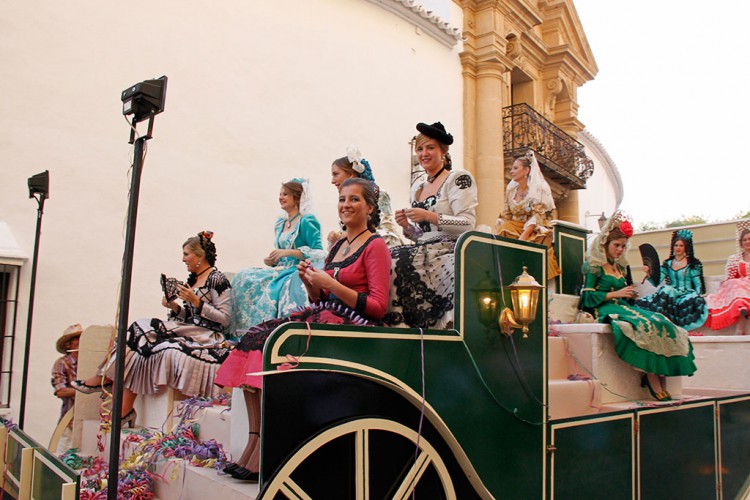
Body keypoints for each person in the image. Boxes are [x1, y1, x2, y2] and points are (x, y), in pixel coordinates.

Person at [215, 178, 391, 481]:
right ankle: (253, 445)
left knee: (277, 343)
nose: (346, 205)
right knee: (257, 337)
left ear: (370, 207)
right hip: (325, 314)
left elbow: (377, 306)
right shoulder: (338, 245)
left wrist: (330, 284)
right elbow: (321, 297)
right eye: (342, 199)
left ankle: (264, 452)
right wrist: (312, 284)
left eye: (354, 200)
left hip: (353, 327)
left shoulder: (375, 246)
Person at [72, 231, 232, 426]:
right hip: (188, 328)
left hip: (206, 335)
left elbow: (224, 319)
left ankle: (105, 381)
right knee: (137, 333)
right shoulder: (192, 280)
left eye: (186, 254)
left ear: (200, 256)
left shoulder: (217, 279)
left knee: (141, 330)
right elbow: (188, 316)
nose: (183, 259)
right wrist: (174, 307)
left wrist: (197, 302)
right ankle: (119, 401)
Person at [579, 212, 696, 401]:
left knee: (661, 320)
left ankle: (659, 371)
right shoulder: (594, 266)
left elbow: (627, 294)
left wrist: (630, 294)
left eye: (623, 246)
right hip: (605, 307)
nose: (619, 250)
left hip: (624, 306)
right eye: (616, 245)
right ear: (605, 243)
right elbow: (586, 297)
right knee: (643, 324)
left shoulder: (621, 267)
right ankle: (650, 375)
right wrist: (616, 294)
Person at [387, 121, 477, 329]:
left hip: (450, 248)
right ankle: (399, 325)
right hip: (424, 248)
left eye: (430, 148)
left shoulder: (458, 179)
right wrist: (407, 228)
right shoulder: (418, 186)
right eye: (420, 149)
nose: (424, 153)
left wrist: (429, 215)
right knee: (389, 258)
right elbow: (422, 236)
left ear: (443, 151)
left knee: (397, 260)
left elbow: (467, 224)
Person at [231, 179, 325, 330]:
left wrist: (289, 252)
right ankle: (242, 331)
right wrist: (272, 260)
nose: (281, 197)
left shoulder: (307, 220)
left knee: (271, 288)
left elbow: (319, 253)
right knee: (243, 276)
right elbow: (281, 255)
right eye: (280, 194)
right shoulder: (280, 224)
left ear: (296, 198)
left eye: (285, 194)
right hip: (280, 269)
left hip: (297, 269)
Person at [496, 151, 560, 280]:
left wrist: (523, 237)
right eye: (512, 168)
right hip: (514, 228)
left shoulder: (536, 190)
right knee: (505, 228)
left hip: (532, 229)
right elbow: (507, 214)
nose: (512, 171)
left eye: (515, 168)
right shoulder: (510, 191)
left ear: (526, 170)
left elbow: (537, 216)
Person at [328, 145, 408, 247]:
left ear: (351, 174)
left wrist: (346, 236)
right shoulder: (344, 202)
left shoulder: (379, 194)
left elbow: (387, 230)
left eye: (336, 174)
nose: (332, 181)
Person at [635, 229, 708, 331]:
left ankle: (663, 321)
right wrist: (648, 272)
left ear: (686, 247)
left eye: (681, 245)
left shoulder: (692, 264)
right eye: (676, 245)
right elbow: (657, 281)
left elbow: (698, 284)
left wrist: (698, 295)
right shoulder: (668, 264)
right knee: (666, 289)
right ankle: (658, 319)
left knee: (667, 290)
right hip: (671, 292)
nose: (678, 248)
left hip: (686, 293)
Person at [706, 225, 750, 332]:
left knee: (740, 283)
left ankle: (742, 311)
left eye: (749, 239)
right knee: (734, 283)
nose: (747, 242)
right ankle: (741, 308)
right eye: (744, 240)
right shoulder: (735, 259)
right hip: (741, 289)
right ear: (741, 243)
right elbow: (730, 278)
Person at [51, 324, 83, 422]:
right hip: (70, 419)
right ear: (68, 344)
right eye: (76, 338)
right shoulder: (61, 363)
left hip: (88, 418)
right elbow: (60, 391)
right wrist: (85, 392)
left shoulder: (89, 362)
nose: (81, 340)